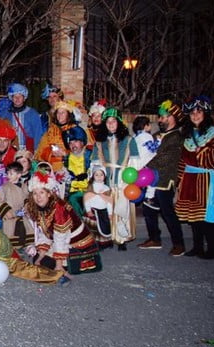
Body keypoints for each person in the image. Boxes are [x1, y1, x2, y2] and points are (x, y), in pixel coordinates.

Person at [24, 170, 102, 279]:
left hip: (76, 244)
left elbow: (61, 238)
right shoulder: (40, 208)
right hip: (59, 240)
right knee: (38, 259)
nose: (38, 197)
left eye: (41, 192)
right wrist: (40, 255)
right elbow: (46, 233)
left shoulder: (59, 208)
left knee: (49, 264)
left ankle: (65, 268)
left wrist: (58, 265)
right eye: (35, 193)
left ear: (49, 193)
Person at [0, 213, 65, 286]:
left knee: (27, 270)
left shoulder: (1, 237)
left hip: (7, 260)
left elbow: (6, 254)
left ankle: (55, 276)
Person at [138, 100, 186, 256]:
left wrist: (145, 167)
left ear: (173, 117)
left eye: (163, 117)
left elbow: (164, 158)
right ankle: (155, 239)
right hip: (152, 179)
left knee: (167, 213)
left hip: (165, 180)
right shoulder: (157, 135)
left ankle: (179, 244)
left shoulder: (176, 137)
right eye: (159, 117)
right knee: (148, 209)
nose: (160, 120)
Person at [90, 107, 138, 250]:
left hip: (122, 178)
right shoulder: (99, 142)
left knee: (121, 208)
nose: (110, 124)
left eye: (113, 121)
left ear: (119, 123)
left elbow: (135, 161)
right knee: (104, 209)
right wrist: (98, 178)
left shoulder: (129, 140)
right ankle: (106, 237)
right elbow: (95, 160)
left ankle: (121, 238)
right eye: (108, 122)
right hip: (106, 179)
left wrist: (128, 178)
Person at [175, 96, 214, 258]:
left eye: (199, 111)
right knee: (193, 217)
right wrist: (178, 180)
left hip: (206, 180)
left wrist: (202, 153)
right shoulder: (186, 135)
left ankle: (212, 249)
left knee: (207, 217)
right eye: (192, 112)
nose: (195, 115)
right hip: (189, 180)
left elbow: (213, 158)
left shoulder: (213, 134)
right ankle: (197, 246)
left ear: (205, 113)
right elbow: (182, 160)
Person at [0, 83, 43, 151]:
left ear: (24, 98)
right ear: (11, 98)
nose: (17, 99)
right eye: (15, 96)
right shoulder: (5, 114)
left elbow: (38, 134)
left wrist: (35, 151)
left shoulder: (33, 114)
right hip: (10, 150)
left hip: (27, 151)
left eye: (20, 96)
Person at [0, 162, 33, 249]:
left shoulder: (25, 186)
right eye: (7, 173)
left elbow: (28, 199)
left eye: (11, 173)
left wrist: (26, 208)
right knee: (11, 240)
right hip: (11, 219)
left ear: (19, 175)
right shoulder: (4, 187)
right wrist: (12, 213)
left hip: (24, 218)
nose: (8, 175)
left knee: (27, 237)